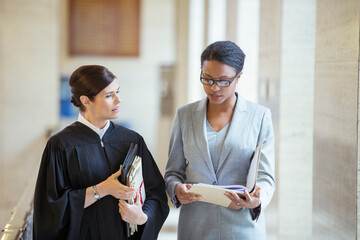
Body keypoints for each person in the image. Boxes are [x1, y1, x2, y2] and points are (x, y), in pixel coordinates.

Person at [33, 65, 169, 240]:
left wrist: (143, 217)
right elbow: (49, 209)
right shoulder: (60, 146)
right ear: (86, 101)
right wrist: (101, 189)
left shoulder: (132, 141)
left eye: (118, 92)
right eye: (109, 95)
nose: (118, 100)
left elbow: (156, 194)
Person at [164, 41, 275, 239]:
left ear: (238, 76)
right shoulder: (185, 116)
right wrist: (176, 189)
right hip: (195, 227)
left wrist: (258, 200)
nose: (214, 88)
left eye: (224, 81)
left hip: (242, 227)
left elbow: (266, 177)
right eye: (207, 79)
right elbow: (173, 173)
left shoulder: (259, 117)